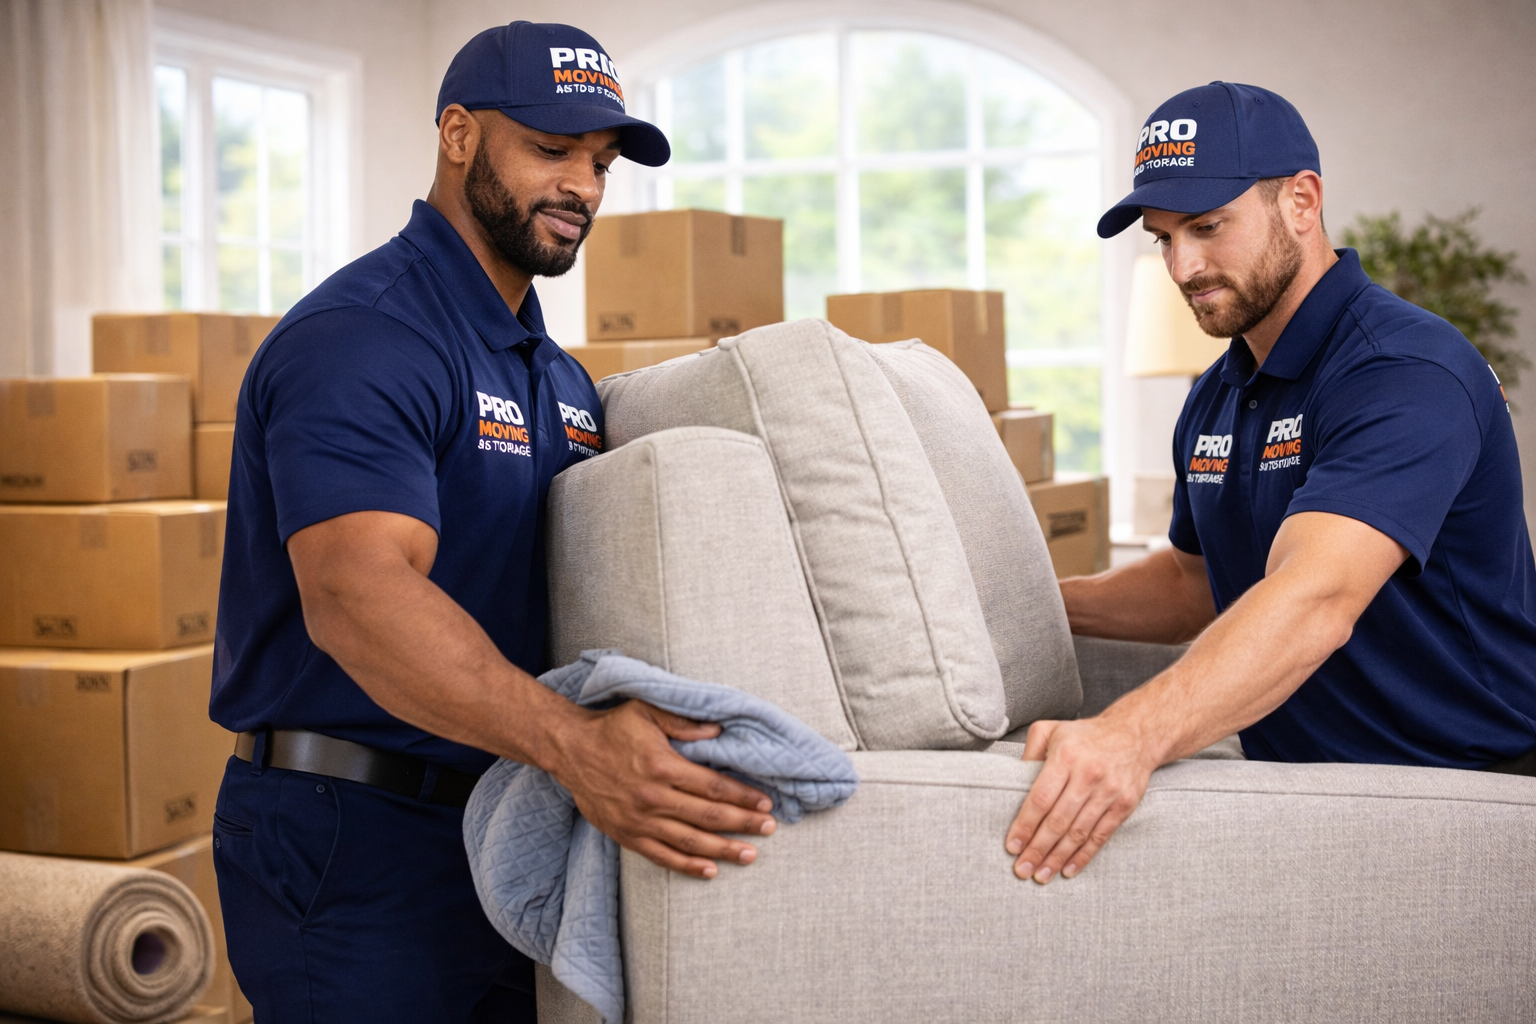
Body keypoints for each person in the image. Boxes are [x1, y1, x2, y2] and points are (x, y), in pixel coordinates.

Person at [208, 22, 777, 1023]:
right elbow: (357, 596)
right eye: (551, 151)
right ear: (460, 136)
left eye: (600, 164)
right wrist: (578, 746)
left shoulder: (557, 379)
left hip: (502, 822)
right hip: (353, 833)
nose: (583, 189)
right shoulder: (367, 337)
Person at [1004, 81, 1536, 886]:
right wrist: (1025, 603)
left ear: (1301, 201)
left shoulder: (1403, 370)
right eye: (1164, 239)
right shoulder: (1218, 390)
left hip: (1465, 785)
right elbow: (1193, 581)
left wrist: (1130, 734)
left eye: (1209, 227)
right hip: (1305, 782)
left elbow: (1315, 597)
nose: (1183, 266)